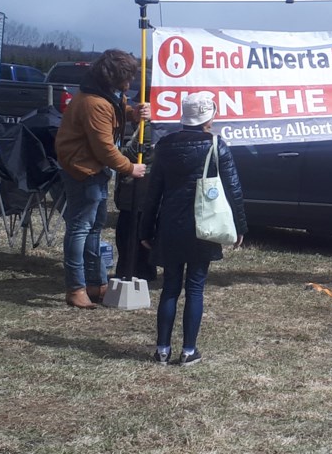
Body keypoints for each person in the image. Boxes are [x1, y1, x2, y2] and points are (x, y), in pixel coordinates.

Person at [140, 92, 247, 366]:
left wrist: (145, 230)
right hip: (205, 225)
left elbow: (153, 192)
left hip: (170, 224)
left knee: (170, 288)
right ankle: (189, 350)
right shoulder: (216, 145)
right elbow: (233, 188)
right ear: (209, 117)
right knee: (196, 288)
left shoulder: (164, 145)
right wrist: (240, 225)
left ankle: (162, 349)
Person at [55, 50, 149, 309]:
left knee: (95, 227)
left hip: (96, 170)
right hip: (83, 170)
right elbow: (104, 149)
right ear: (112, 78)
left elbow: (115, 115)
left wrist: (132, 113)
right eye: (125, 79)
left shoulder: (106, 96)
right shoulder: (94, 103)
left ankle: (97, 283)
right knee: (80, 228)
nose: (129, 85)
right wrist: (130, 168)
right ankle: (75, 288)